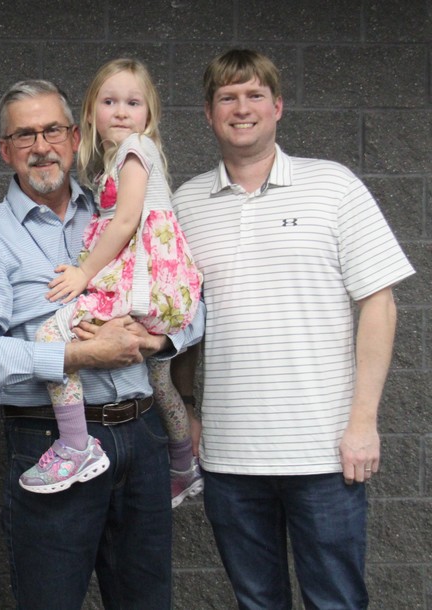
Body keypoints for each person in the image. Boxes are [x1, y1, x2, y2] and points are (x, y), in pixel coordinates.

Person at [171, 48, 415, 609]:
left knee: (336, 601)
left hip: (324, 454)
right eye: (227, 97)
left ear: (277, 106)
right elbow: (183, 321)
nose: (242, 108)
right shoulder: (186, 204)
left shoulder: (333, 186)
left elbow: (379, 304)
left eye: (254, 94)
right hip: (230, 457)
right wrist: (186, 409)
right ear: (208, 113)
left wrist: (363, 422)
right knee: (257, 602)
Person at [0, 79, 204, 610]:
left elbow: (190, 301)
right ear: (5, 150)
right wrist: (76, 355)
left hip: (142, 435)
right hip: (49, 438)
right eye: (24, 135)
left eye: (52, 130)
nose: (41, 146)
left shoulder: (119, 206)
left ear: (74, 137)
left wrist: (156, 340)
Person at [18, 58, 203, 507]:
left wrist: (83, 273)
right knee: (158, 378)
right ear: (90, 113)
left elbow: (124, 222)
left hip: (142, 287)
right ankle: (183, 465)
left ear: (149, 114)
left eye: (133, 103)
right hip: (162, 292)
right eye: (110, 101)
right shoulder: (114, 162)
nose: (121, 111)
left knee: (51, 336)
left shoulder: (135, 150)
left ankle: (75, 445)